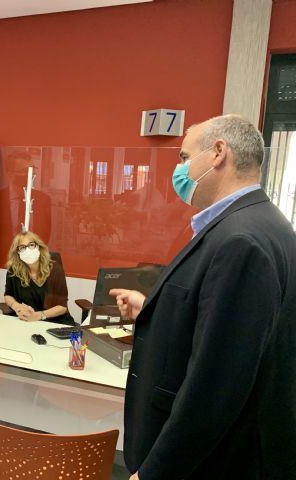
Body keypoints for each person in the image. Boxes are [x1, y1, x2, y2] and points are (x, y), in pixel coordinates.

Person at [109, 114, 296, 480]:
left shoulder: (240, 241)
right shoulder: (264, 222)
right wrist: (151, 307)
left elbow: (214, 384)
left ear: (218, 153)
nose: (180, 169)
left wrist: (154, 472)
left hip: (221, 461)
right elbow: (228, 326)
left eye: (184, 156)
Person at [3, 231, 75, 325]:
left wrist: (38, 316)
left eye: (31, 245)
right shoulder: (14, 270)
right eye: (22, 247)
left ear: (38, 246)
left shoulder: (55, 269)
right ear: (17, 252)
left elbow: (62, 307)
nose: (28, 250)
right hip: (26, 322)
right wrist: (16, 306)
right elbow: (8, 295)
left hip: (55, 322)